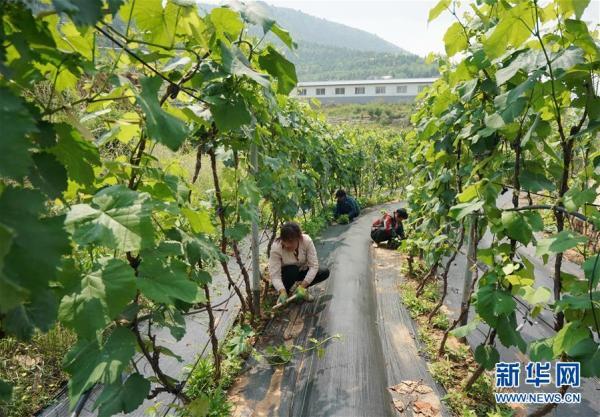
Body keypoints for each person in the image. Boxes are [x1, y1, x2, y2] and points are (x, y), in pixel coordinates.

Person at [269, 221, 330, 305]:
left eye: (290, 242)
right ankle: (285, 292)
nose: (286, 245)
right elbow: (274, 275)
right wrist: (282, 291)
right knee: (292, 269)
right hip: (287, 274)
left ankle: (299, 290)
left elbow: (313, 266)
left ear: (299, 238)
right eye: (284, 241)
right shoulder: (276, 247)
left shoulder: (306, 241)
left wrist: (302, 286)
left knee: (324, 272)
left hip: (302, 270)